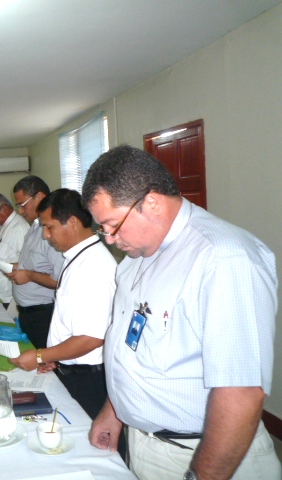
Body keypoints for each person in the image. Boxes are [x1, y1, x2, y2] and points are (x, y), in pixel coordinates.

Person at [82, 145, 281, 480]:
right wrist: (114, 410)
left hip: (201, 456)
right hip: (145, 444)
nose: (110, 240)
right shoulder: (136, 258)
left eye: (112, 225)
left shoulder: (223, 259)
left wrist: (201, 475)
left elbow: (241, 392)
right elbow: (131, 348)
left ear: (152, 203)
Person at [8, 189, 116, 424]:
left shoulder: (94, 266)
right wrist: (56, 358)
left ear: (73, 222)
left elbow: (92, 337)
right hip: (72, 367)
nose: (46, 235)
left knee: (94, 438)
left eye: (50, 227)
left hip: (89, 376)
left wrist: (40, 355)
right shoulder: (75, 258)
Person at [5, 176, 64, 348]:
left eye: (22, 205)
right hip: (27, 313)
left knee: (43, 360)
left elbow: (60, 280)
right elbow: (38, 263)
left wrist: (29, 275)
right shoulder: (35, 227)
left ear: (40, 197)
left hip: (43, 314)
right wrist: (17, 268)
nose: (20, 211)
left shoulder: (53, 232)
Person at [0, 193, 29, 308]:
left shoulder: (19, 227)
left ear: (5, 208)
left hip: (8, 294)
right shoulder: (7, 226)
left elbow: (26, 263)